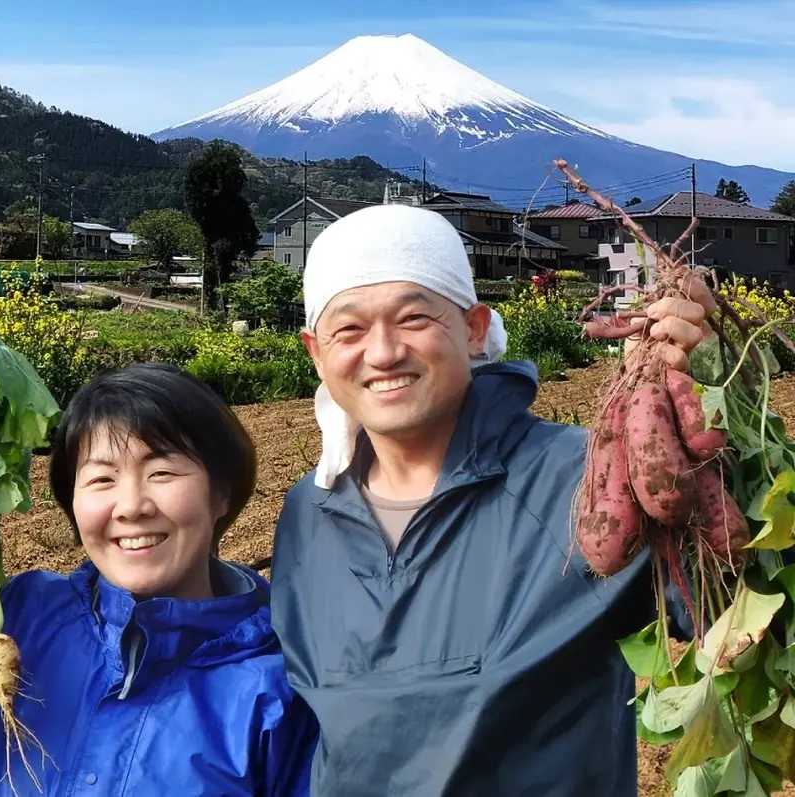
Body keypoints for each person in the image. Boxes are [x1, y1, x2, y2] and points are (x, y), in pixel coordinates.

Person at [268, 203, 715, 797]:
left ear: (474, 329)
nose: (382, 352)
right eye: (348, 329)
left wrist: (715, 401)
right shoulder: (308, 512)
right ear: (316, 353)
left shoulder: (588, 479)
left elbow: (740, 601)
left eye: (413, 318)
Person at [0, 362, 318, 796]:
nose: (132, 506)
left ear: (221, 494)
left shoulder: (282, 684)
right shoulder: (23, 618)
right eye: (100, 479)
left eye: (162, 473)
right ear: (73, 506)